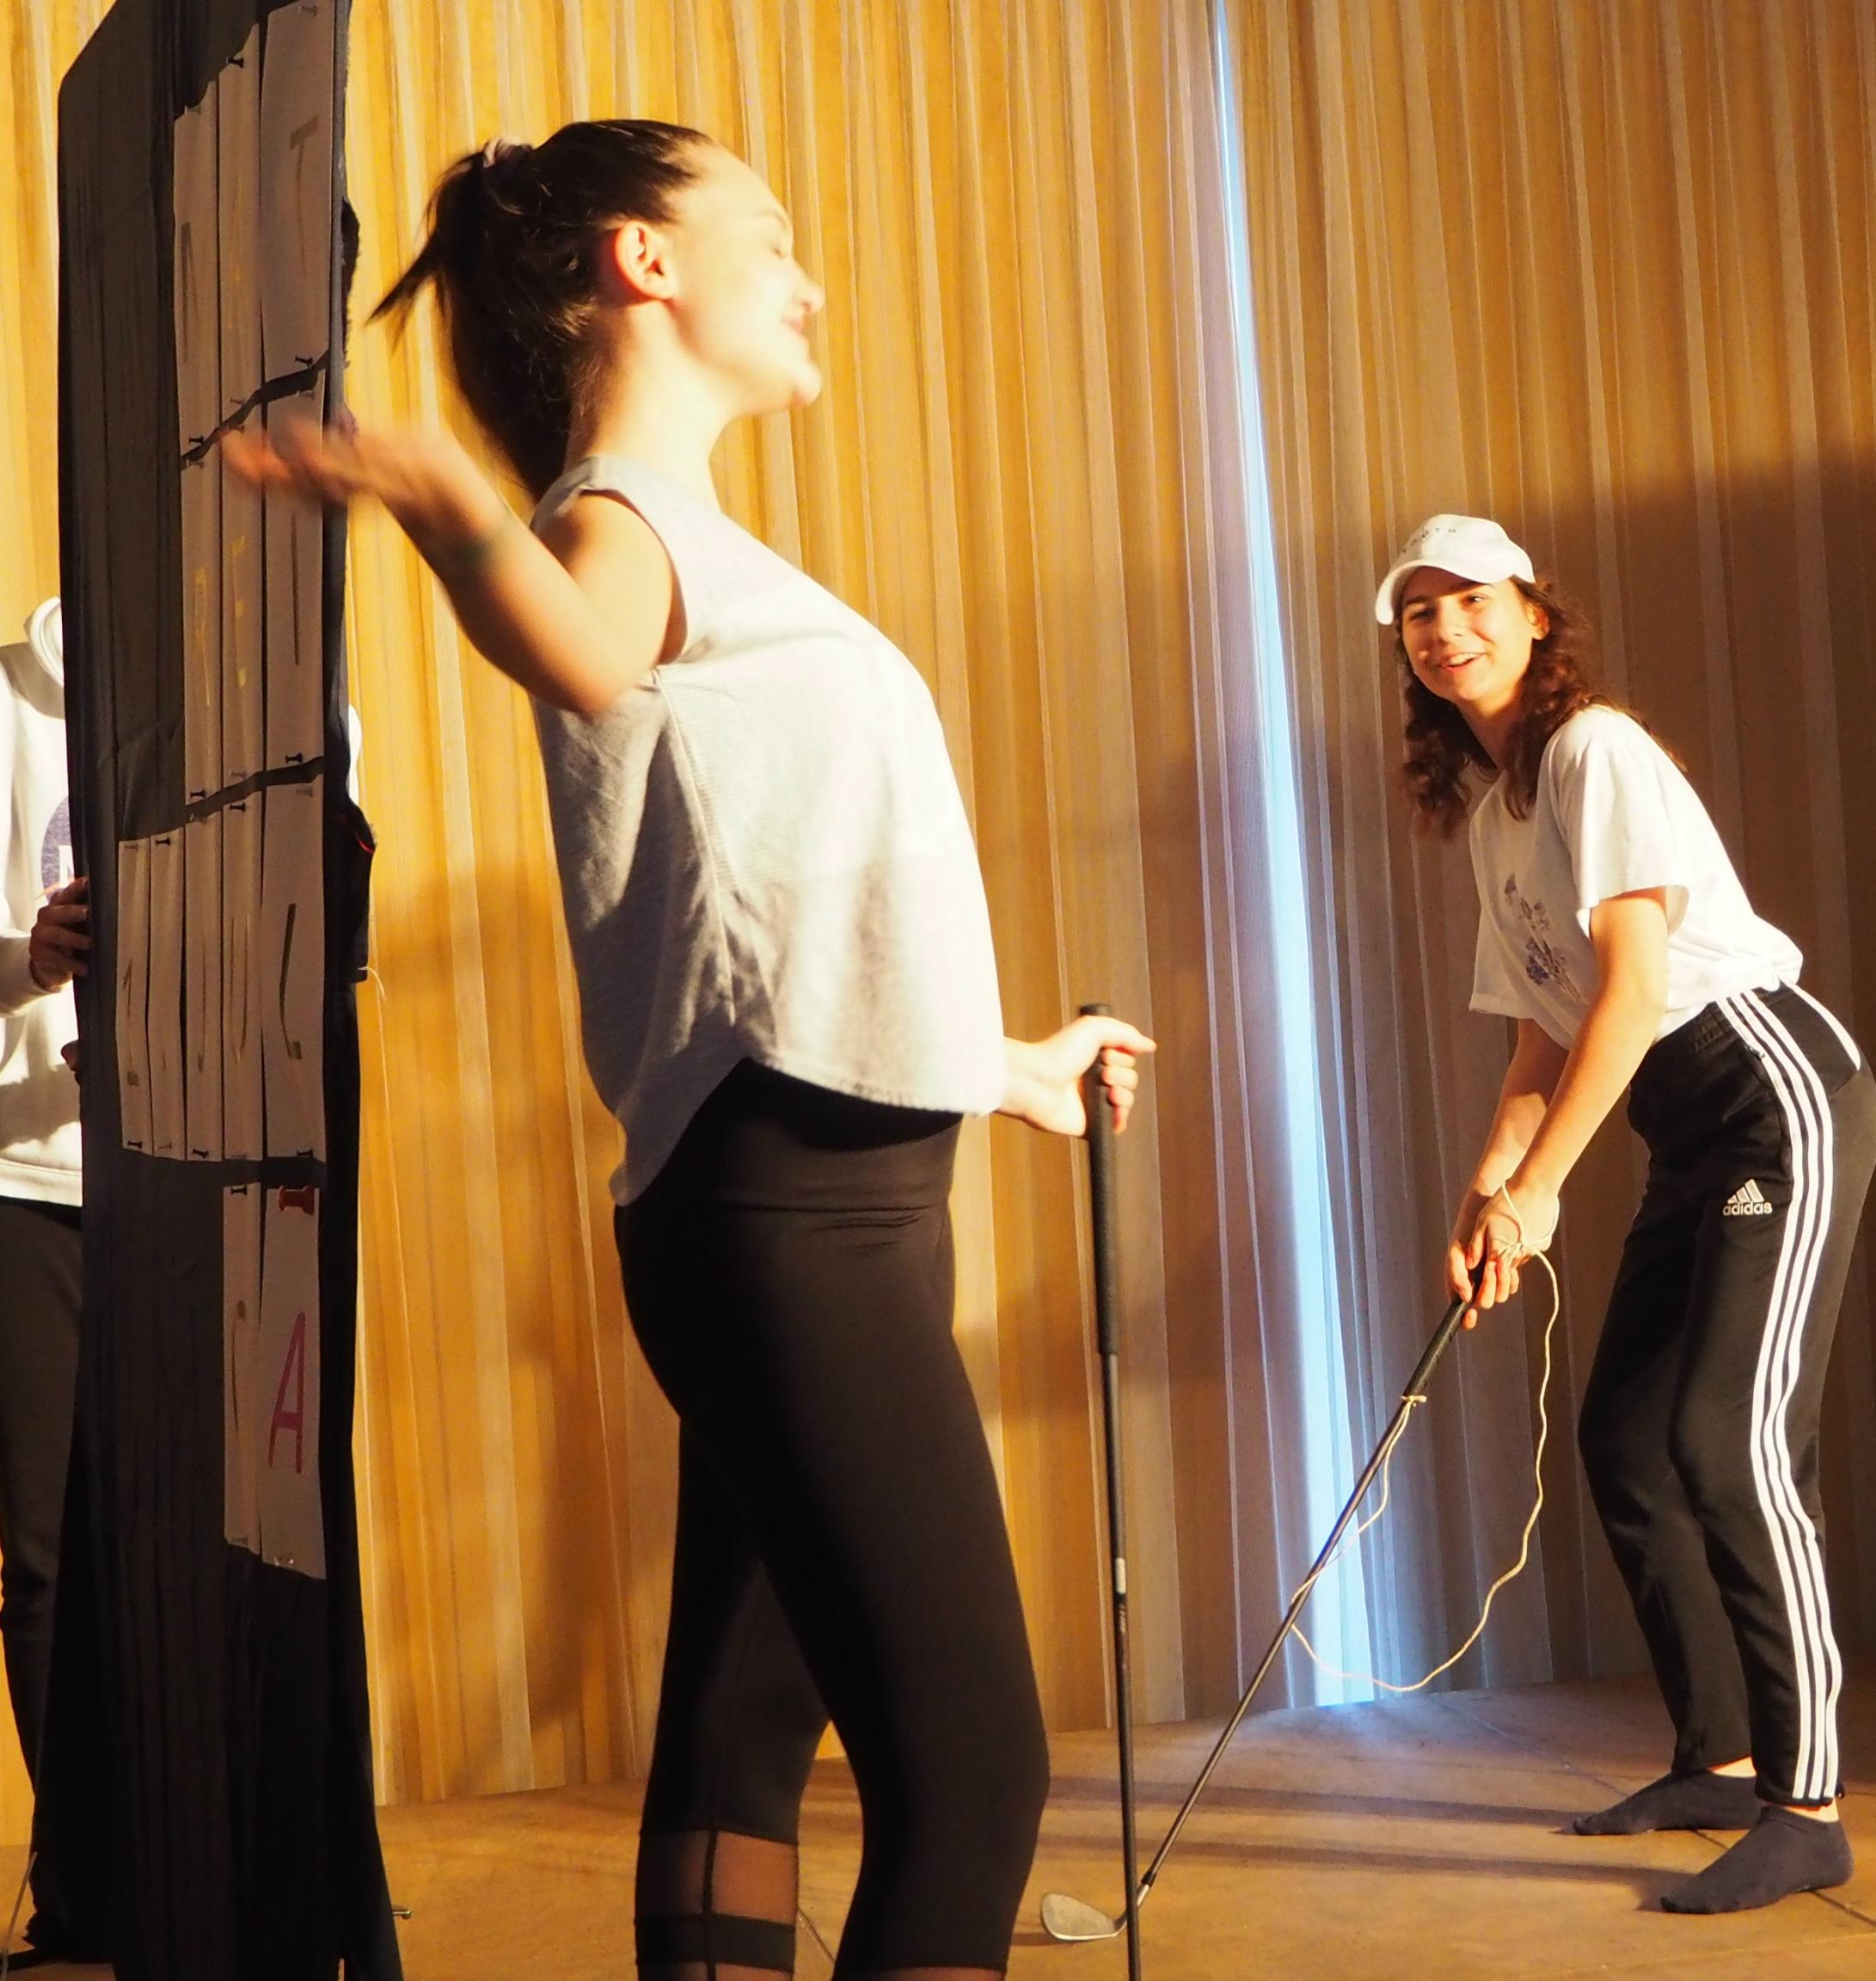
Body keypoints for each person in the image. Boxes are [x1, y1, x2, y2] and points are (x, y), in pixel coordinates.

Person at [229, 122, 1154, 1978]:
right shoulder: (618, 526)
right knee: (973, 1775)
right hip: (797, 1221)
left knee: (745, 1730)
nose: (809, 279)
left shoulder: (694, 546)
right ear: (643, 262)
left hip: (814, 1197)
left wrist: (1012, 1065)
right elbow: (575, 648)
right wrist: (431, 483)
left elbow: (779, 934)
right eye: (772, 233)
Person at [1390, 513, 1876, 1914]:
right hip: (1685, 1127)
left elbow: (1635, 988)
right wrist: (1488, 1199)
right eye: (1420, 613)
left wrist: (1544, 1190)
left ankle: (1808, 1805)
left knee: (1732, 1446)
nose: (1446, 630)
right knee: (1627, 1441)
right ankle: (1718, 1761)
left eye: (1472, 601)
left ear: (1534, 614)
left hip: (1773, 1093)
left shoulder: (1594, 749)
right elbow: (1539, 1043)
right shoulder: (1500, 813)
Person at [0, 596, 90, 1967]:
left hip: (218, 1181)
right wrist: (35, 956)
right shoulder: (8, 701)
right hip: (28, 1178)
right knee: (51, 1551)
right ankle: (85, 1883)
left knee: (238, 1538)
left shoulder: (299, 708)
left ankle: (232, 1856)